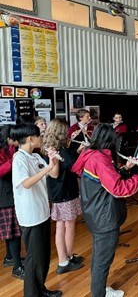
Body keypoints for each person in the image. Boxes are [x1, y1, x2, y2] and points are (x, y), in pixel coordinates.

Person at [71, 124, 138, 297]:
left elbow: (105, 181)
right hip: (104, 217)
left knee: (99, 256)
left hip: (96, 213)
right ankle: (99, 293)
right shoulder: (99, 159)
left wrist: (127, 168)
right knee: (102, 260)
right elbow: (118, 189)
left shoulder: (92, 154)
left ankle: (100, 289)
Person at [11, 123, 62, 297]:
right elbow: (25, 183)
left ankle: (40, 289)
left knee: (43, 257)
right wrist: (47, 168)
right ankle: (32, 294)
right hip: (30, 216)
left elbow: (53, 174)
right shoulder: (19, 158)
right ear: (31, 138)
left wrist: (52, 160)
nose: (42, 138)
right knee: (34, 259)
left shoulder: (35, 156)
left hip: (42, 213)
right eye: (39, 135)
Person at [42, 119, 84, 275]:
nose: (68, 133)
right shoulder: (57, 149)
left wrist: (76, 150)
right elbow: (68, 167)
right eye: (66, 131)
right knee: (67, 225)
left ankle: (67, 256)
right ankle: (63, 261)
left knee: (63, 225)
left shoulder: (57, 147)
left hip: (61, 191)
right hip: (63, 192)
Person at [0, 125, 24, 280]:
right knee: (14, 232)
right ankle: (17, 267)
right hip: (5, 195)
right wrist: (12, 160)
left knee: (11, 231)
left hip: (9, 193)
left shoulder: (9, 148)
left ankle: (10, 257)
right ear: (7, 139)